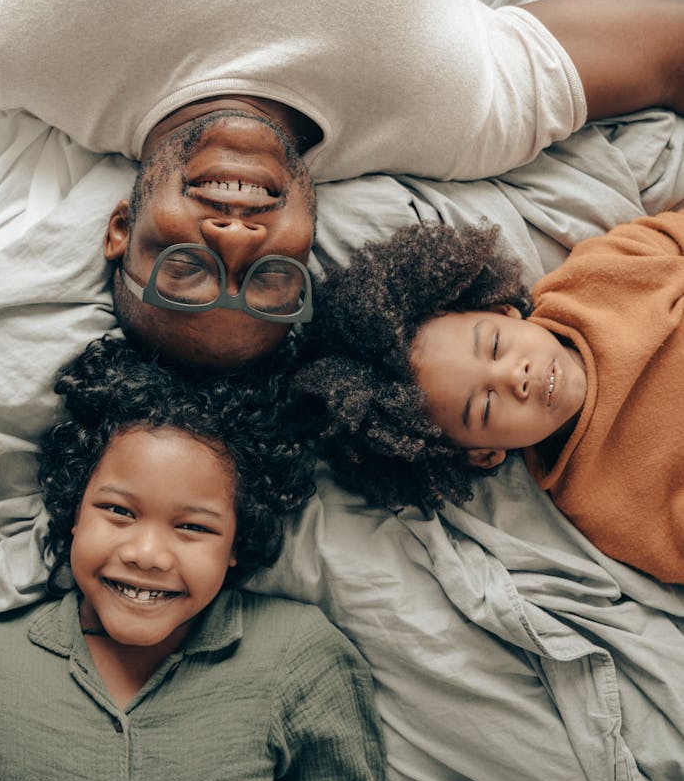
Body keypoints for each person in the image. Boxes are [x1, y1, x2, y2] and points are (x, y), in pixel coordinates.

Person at [0, 0, 684, 370]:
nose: (234, 237)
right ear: (309, 247)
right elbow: (668, 54)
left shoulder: (18, 45)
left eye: (187, 269)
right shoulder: (453, 119)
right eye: (268, 279)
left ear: (123, 227)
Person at [0, 336, 397, 781]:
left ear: (235, 545)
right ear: (73, 512)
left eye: (193, 527)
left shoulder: (300, 659)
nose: (148, 555)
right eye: (118, 511)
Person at [290, 213, 684, 583]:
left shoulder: (592, 280)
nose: (517, 376)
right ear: (483, 453)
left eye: (495, 345)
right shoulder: (603, 504)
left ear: (503, 310)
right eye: (486, 406)